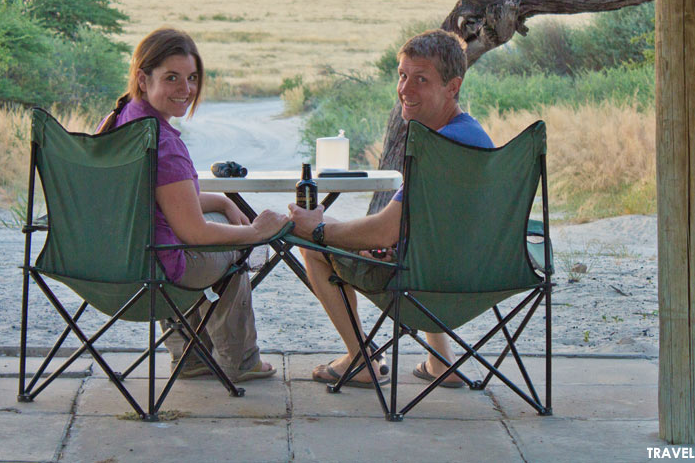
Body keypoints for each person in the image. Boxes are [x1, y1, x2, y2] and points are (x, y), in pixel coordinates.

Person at [288, 29, 494, 388]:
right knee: (348, 232)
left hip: (425, 281)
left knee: (311, 244)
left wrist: (317, 230)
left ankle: (361, 359)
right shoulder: (473, 136)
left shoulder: (438, 149)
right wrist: (386, 242)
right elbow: (427, 228)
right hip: (470, 272)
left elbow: (385, 229)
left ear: (453, 87)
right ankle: (440, 360)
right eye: (402, 75)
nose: (405, 89)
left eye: (421, 79)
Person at [110, 27, 287, 382]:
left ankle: (189, 355)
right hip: (156, 270)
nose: (186, 90)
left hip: (114, 261)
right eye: (172, 78)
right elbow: (193, 231)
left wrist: (221, 201)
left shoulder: (121, 121)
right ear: (143, 79)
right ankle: (241, 359)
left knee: (212, 226)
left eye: (191, 78)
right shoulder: (162, 143)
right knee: (236, 246)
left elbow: (163, 200)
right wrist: (254, 232)